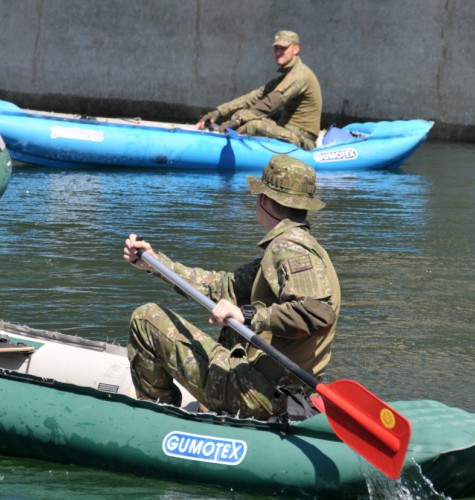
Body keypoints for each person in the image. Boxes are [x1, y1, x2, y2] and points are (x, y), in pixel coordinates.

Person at [123, 154, 339, 420]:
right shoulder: (298, 245)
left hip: (260, 394)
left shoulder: (289, 247)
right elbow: (226, 286)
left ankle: (159, 421)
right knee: (232, 335)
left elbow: (318, 312)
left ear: (264, 200)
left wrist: (247, 315)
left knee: (146, 319)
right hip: (281, 391)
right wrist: (156, 264)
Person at [195, 31, 322, 150]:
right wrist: (218, 112)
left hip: (303, 142)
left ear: (296, 49)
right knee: (244, 115)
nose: (278, 52)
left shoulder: (300, 74)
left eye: (283, 48)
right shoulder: (285, 78)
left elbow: (272, 103)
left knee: (253, 124)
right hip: (288, 134)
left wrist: (239, 119)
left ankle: (224, 146)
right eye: (276, 49)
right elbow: (253, 97)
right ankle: (227, 141)